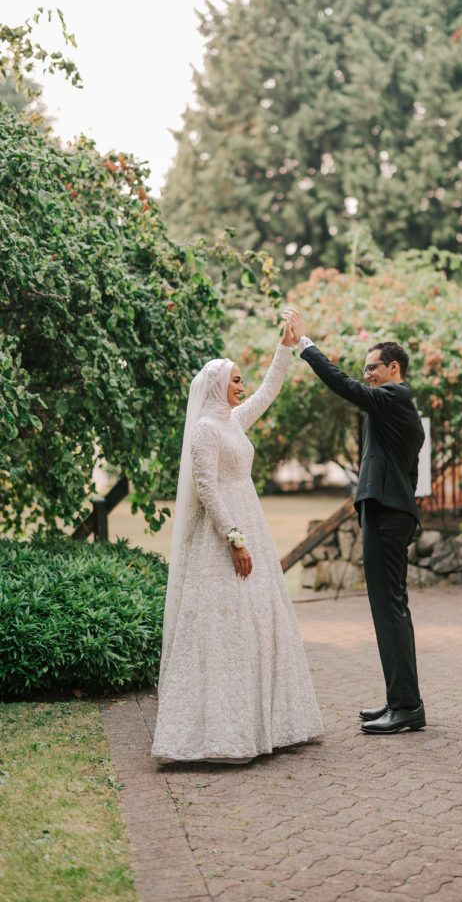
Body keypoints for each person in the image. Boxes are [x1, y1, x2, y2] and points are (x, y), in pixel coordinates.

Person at [151, 322, 323, 763]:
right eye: (235, 381)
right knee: (222, 623)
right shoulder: (206, 429)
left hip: (252, 521)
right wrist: (233, 538)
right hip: (224, 532)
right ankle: (217, 731)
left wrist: (284, 349)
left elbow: (268, 392)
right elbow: (205, 487)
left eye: (240, 380)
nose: (241, 387)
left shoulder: (233, 420)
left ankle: (269, 723)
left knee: (259, 617)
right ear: (216, 385)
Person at [282, 308, 426, 735]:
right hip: (386, 511)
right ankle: (400, 700)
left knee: (390, 609)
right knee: (388, 609)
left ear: (393, 367)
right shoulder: (389, 408)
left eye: (372, 368)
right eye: (365, 370)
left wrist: (306, 345)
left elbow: (342, 385)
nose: (366, 376)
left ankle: (408, 707)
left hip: (387, 513)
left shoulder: (397, 399)